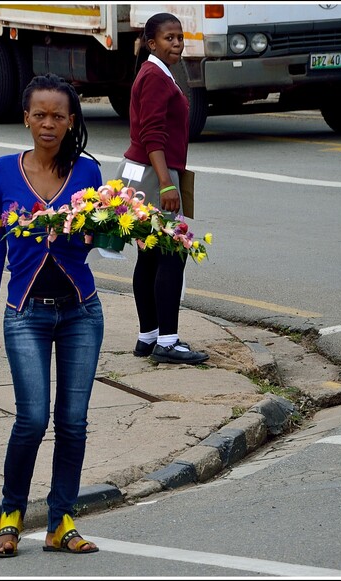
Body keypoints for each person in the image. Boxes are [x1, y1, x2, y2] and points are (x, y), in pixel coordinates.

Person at [0, 73, 103, 557]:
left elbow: (93, 242)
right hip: (23, 313)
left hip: (81, 313)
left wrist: (79, 232)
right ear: (25, 117)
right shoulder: (2, 170)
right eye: (40, 115)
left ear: (72, 121)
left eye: (58, 116)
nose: (48, 124)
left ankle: (61, 522)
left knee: (73, 421)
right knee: (31, 419)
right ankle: (10, 516)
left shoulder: (88, 172)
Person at [115, 12, 209, 365]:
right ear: (152, 43)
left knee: (150, 254)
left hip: (141, 173)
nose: (177, 44)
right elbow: (152, 135)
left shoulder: (155, 71)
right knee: (173, 253)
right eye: (169, 38)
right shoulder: (155, 76)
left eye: (180, 37)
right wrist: (168, 184)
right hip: (155, 176)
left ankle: (148, 337)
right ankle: (167, 342)